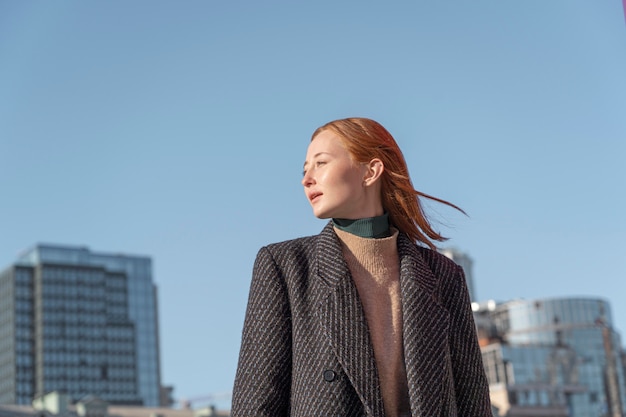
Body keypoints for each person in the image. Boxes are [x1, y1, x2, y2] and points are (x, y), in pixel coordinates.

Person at [232, 117, 492, 417]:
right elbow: (256, 404)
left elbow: (473, 402)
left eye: (321, 163)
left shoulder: (443, 275)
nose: (307, 179)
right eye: (304, 169)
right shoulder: (285, 266)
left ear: (371, 171)